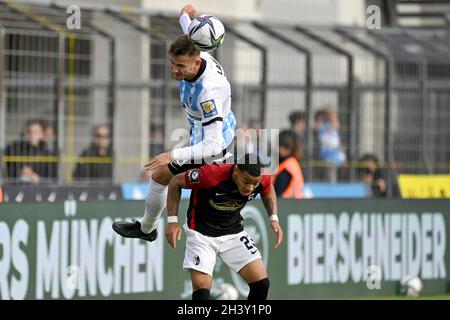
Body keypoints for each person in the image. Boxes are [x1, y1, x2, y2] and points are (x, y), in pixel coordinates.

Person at [112, 4, 237, 242]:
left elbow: (212, 145)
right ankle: (148, 229)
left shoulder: (208, 91)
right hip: (201, 132)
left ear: (197, 62)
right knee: (161, 177)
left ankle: (156, 229)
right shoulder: (196, 44)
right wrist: (185, 13)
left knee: (165, 177)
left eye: (180, 66)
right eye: (172, 63)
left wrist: (173, 154)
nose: (174, 70)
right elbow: (188, 25)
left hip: (214, 144)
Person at [165, 153, 283, 300]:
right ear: (236, 171)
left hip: (233, 232)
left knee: (261, 284)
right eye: (246, 181)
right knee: (202, 290)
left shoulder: (261, 178)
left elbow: (267, 189)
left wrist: (273, 218)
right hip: (201, 233)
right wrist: (172, 221)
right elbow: (176, 181)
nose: (250, 188)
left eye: (255, 183)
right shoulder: (211, 174)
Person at [4, 119, 56, 184]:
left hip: (41, 188)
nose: (32, 135)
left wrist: (34, 176)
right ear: (24, 133)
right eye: (29, 132)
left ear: (42, 134)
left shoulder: (48, 154)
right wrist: (21, 172)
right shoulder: (13, 149)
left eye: (36, 132)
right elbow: (9, 171)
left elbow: (52, 177)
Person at [272, 130, 304, 199]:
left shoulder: (286, 169)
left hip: (285, 207)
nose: (275, 148)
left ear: (287, 148)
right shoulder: (293, 164)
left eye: (278, 144)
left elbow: (277, 194)